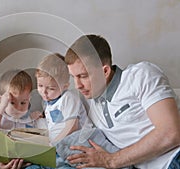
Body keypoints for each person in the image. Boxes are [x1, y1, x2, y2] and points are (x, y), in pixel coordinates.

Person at [65, 34, 180, 168]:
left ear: (105, 71)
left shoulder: (140, 75)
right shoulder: (89, 102)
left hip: (175, 158)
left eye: (83, 76)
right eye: (73, 77)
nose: (78, 85)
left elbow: (171, 133)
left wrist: (112, 160)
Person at [0, 69, 45, 169]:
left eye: (23, 103)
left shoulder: (28, 116)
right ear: (2, 99)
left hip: (23, 160)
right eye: (12, 103)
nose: (18, 108)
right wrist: (1, 108)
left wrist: (35, 119)